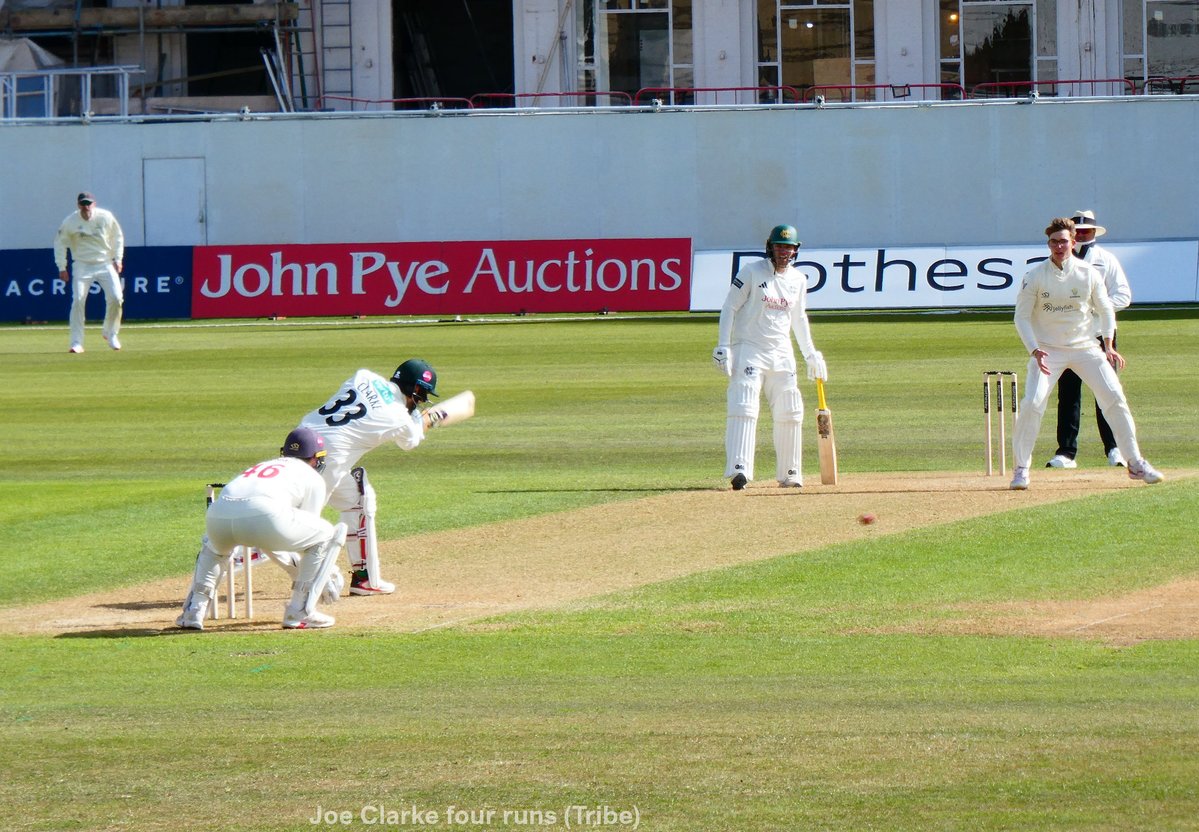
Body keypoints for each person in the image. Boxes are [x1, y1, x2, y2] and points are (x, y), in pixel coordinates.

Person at [1009, 217, 1163, 490]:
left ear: (1073, 242)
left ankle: (1135, 462)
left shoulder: (1088, 272)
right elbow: (1021, 317)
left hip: (1086, 348)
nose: (1059, 246)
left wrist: (1108, 344)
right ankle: (1021, 469)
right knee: (1032, 403)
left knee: (1115, 398)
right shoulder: (1034, 276)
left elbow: (1105, 309)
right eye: (1054, 241)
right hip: (1048, 350)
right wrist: (1034, 349)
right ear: (1049, 244)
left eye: (1064, 241)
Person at [176, 428, 348, 630]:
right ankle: (300, 611)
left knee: (213, 549)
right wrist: (325, 573)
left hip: (218, 515)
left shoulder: (264, 465)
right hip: (265, 515)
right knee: (326, 534)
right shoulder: (313, 478)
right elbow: (308, 541)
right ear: (314, 458)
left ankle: (193, 612)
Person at [296, 358, 443, 595]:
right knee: (293, 525)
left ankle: (365, 579)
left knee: (359, 499)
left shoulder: (364, 376)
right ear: (415, 390)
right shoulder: (399, 417)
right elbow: (411, 441)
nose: (422, 401)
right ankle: (232, 554)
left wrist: (415, 416)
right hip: (326, 459)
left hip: (300, 439)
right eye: (422, 395)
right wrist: (427, 418)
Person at [713, 224, 828, 490]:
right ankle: (739, 470)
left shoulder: (799, 280)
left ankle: (791, 473)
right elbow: (729, 307)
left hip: (782, 351)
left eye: (788, 247)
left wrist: (810, 354)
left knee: (790, 410)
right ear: (770, 246)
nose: (783, 252)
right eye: (779, 246)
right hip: (749, 348)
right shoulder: (752, 272)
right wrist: (723, 345)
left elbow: (799, 318)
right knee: (744, 404)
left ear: (795, 250)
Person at [1045, 210, 1132, 469]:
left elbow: (1123, 295)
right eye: (1078, 231)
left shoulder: (1106, 259)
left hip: (1100, 335)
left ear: (1094, 232)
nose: (1083, 234)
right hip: (1068, 337)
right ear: (1071, 235)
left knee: (1107, 393)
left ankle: (1115, 449)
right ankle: (1066, 452)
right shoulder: (1058, 261)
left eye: (1087, 231)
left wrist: (1094, 307)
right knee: (1068, 395)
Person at [53, 192, 125, 354]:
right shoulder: (70, 221)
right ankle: (77, 342)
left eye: (88, 203)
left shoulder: (105, 217)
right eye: (83, 204)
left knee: (116, 297)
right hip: (82, 264)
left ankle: (111, 333)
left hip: (104, 263)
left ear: (94, 204)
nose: (86, 207)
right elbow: (60, 243)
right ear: (78, 205)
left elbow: (118, 238)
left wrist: (118, 259)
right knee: (78, 300)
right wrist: (61, 267)